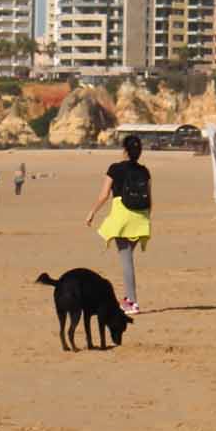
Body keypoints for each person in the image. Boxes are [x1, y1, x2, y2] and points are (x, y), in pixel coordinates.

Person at [84, 133, 152, 318]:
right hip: (141, 217)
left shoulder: (114, 168)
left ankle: (132, 302)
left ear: (124, 151)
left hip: (122, 216)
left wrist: (92, 212)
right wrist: (147, 219)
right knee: (128, 256)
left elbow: (104, 195)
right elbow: (150, 198)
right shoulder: (144, 171)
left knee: (126, 259)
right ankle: (128, 299)